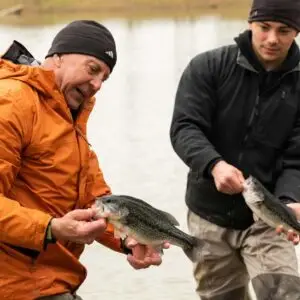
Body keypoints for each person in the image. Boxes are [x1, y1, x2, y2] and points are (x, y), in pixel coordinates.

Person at [0, 20, 167, 300]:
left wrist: (128, 239)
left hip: (48, 279)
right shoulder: (13, 102)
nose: (97, 84)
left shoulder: (68, 117)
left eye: (104, 77)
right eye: (93, 69)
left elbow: (96, 201)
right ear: (58, 58)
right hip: (15, 283)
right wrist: (51, 228)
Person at [170, 0, 300, 299]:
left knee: (285, 295)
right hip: (208, 216)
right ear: (250, 24)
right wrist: (214, 164)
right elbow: (184, 127)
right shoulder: (207, 67)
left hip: (270, 219)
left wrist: (290, 199)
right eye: (264, 27)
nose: (272, 39)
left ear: (296, 32)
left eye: (284, 30)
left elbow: (297, 157)